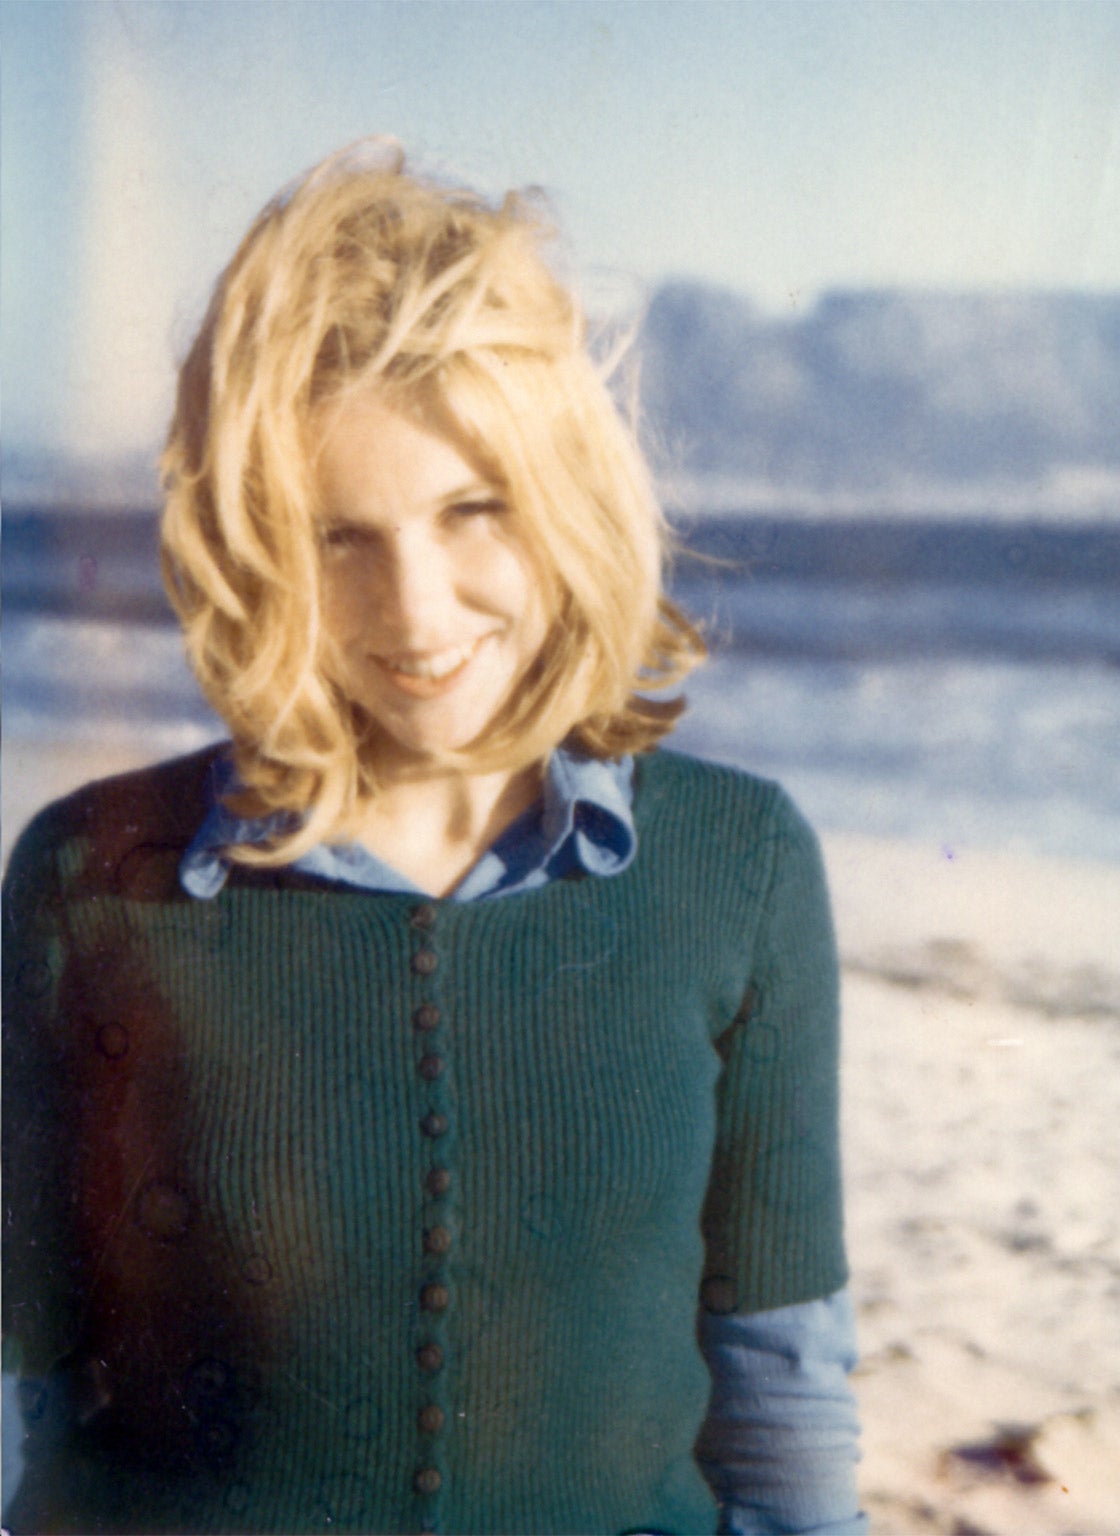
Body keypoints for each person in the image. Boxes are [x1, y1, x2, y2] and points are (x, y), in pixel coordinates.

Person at [1, 142, 864, 1535]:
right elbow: (19, 1376)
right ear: (255, 548)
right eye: (340, 537)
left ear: (567, 496)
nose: (414, 611)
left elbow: (781, 1390)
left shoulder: (740, 867)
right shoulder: (89, 880)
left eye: (473, 510)